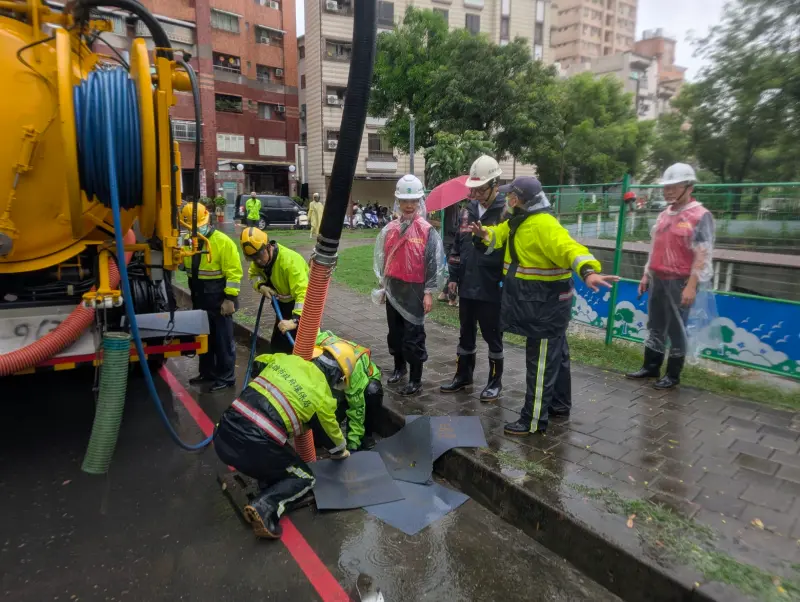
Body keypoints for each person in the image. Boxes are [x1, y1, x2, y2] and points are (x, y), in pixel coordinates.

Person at [471, 177, 618, 436]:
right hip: (538, 302)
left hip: (544, 305)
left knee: (539, 364)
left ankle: (533, 420)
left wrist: (588, 271)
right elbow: (499, 234)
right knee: (557, 357)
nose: (507, 200)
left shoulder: (544, 225)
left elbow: (570, 248)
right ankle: (559, 405)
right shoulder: (519, 221)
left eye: (511, 197)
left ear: (521, 200)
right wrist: (485, 234)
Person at [214, 352, 349, 539]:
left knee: (276, 448)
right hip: (253, 447)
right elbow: (334, 442)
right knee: (305, 477)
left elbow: (257, 363)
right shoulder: (323, 396)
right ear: (338, 378)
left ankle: (268, 477)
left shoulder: (286, 360)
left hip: (222, 434)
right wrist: (342, 451)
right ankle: (264, 507)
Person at [626, 163, 715, 389]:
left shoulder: (700, 216)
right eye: (666, 187)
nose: (668, 191)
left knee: (676, 328)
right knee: (655, 324)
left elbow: (702, 254)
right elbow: (655, 247)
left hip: (680, 281)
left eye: (674, 187)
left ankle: (673, 375)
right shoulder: (665, 214)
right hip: (658, 278)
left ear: (689, 187)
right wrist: (646, 275)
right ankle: (651, 367)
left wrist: (692, 286)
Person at [441, 155, 507, 401]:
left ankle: (494, 381)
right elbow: (458, 245)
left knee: (492, 335)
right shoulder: (467, 212)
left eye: (481, 189)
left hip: (492, 286)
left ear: (495, 185)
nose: (477, 194)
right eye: (474, 189)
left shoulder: (506, 212)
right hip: (468, 283)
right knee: (465, 332)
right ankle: (463, 375)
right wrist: (454, 277)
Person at [374, 174, 446, 396]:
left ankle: (416, 378)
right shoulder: (390, 229)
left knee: (413, 336)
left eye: (413, 201)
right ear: (397, 202)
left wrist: (428, 293)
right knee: (394, 334)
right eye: (404, 201)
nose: (408, 205)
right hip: (394, 288)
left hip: (415, 290)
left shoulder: (426, 231)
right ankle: (399, 368)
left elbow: (433, 263)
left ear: (419, 202)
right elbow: (384, 259)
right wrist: (384, 285)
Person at [179, 204, 243, 392]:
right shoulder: (188, 240)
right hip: (199, 296)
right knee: (204, 338)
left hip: (220, 298)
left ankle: (226, 377)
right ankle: (207, 373)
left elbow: (234, 273)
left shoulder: (223, 242)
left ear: (207, 221)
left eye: (199, 226)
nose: (196, 231)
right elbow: (185, 265)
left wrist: (230, 299)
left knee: (222, 341)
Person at [308, 330, 384, 451]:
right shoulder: (315, 345)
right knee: (318, 438)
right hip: (337, 389)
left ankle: (365, 436)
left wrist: (352, 445)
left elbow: (357, 410)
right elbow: (309, 325)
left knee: (372, 392)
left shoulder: (355, 373)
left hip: (360, 387)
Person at [240, 227, 309, 354]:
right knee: (278, 346)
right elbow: (253, 275)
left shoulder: (291, 262)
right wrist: (261, 286)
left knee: (300, 349)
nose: (258, 261)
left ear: (268, 247)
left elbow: (303, 293)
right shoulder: (258, 262)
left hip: (301, 311)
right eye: (253, 259)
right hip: (281, 307)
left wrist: (295, 321)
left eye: (260, 256)